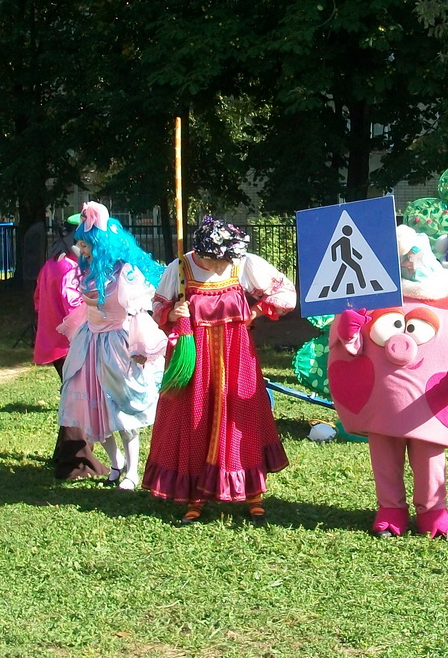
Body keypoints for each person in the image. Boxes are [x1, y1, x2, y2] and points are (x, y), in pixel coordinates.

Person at [142, 216, 296, 524]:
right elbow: (156, 307)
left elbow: (285, 294)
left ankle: (252, 492)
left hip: (237, 357)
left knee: (240, 417)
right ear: (202, 253)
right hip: (193, 358)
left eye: (226, 259)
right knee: (194, 419)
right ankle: (194, 495)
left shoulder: (243, 264)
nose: (222, 265)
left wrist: (255, 311)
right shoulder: (180, 269)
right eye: (217, 260)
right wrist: (173, 312)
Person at [57, 201, 166, 491]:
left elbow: (138, 313)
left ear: (101, 244)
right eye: (80, 243)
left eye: (85, 243)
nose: (80, 249)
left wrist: (142, 347)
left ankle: (132, 471)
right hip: (90, 345)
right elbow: (87, 309)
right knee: (94, 411)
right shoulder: (90, 271)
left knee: (122, 409)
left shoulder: (126, 273)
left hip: (118, 345)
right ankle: (116, 463)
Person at [34, 231, 108, 481]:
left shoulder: (50, 264)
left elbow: (37, 301)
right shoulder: (71, 268)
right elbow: (75, 307)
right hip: (71, 343)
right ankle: (76, 463)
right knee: (79, 400)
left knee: (72, 398)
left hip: (54, 342)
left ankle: (62, 454)